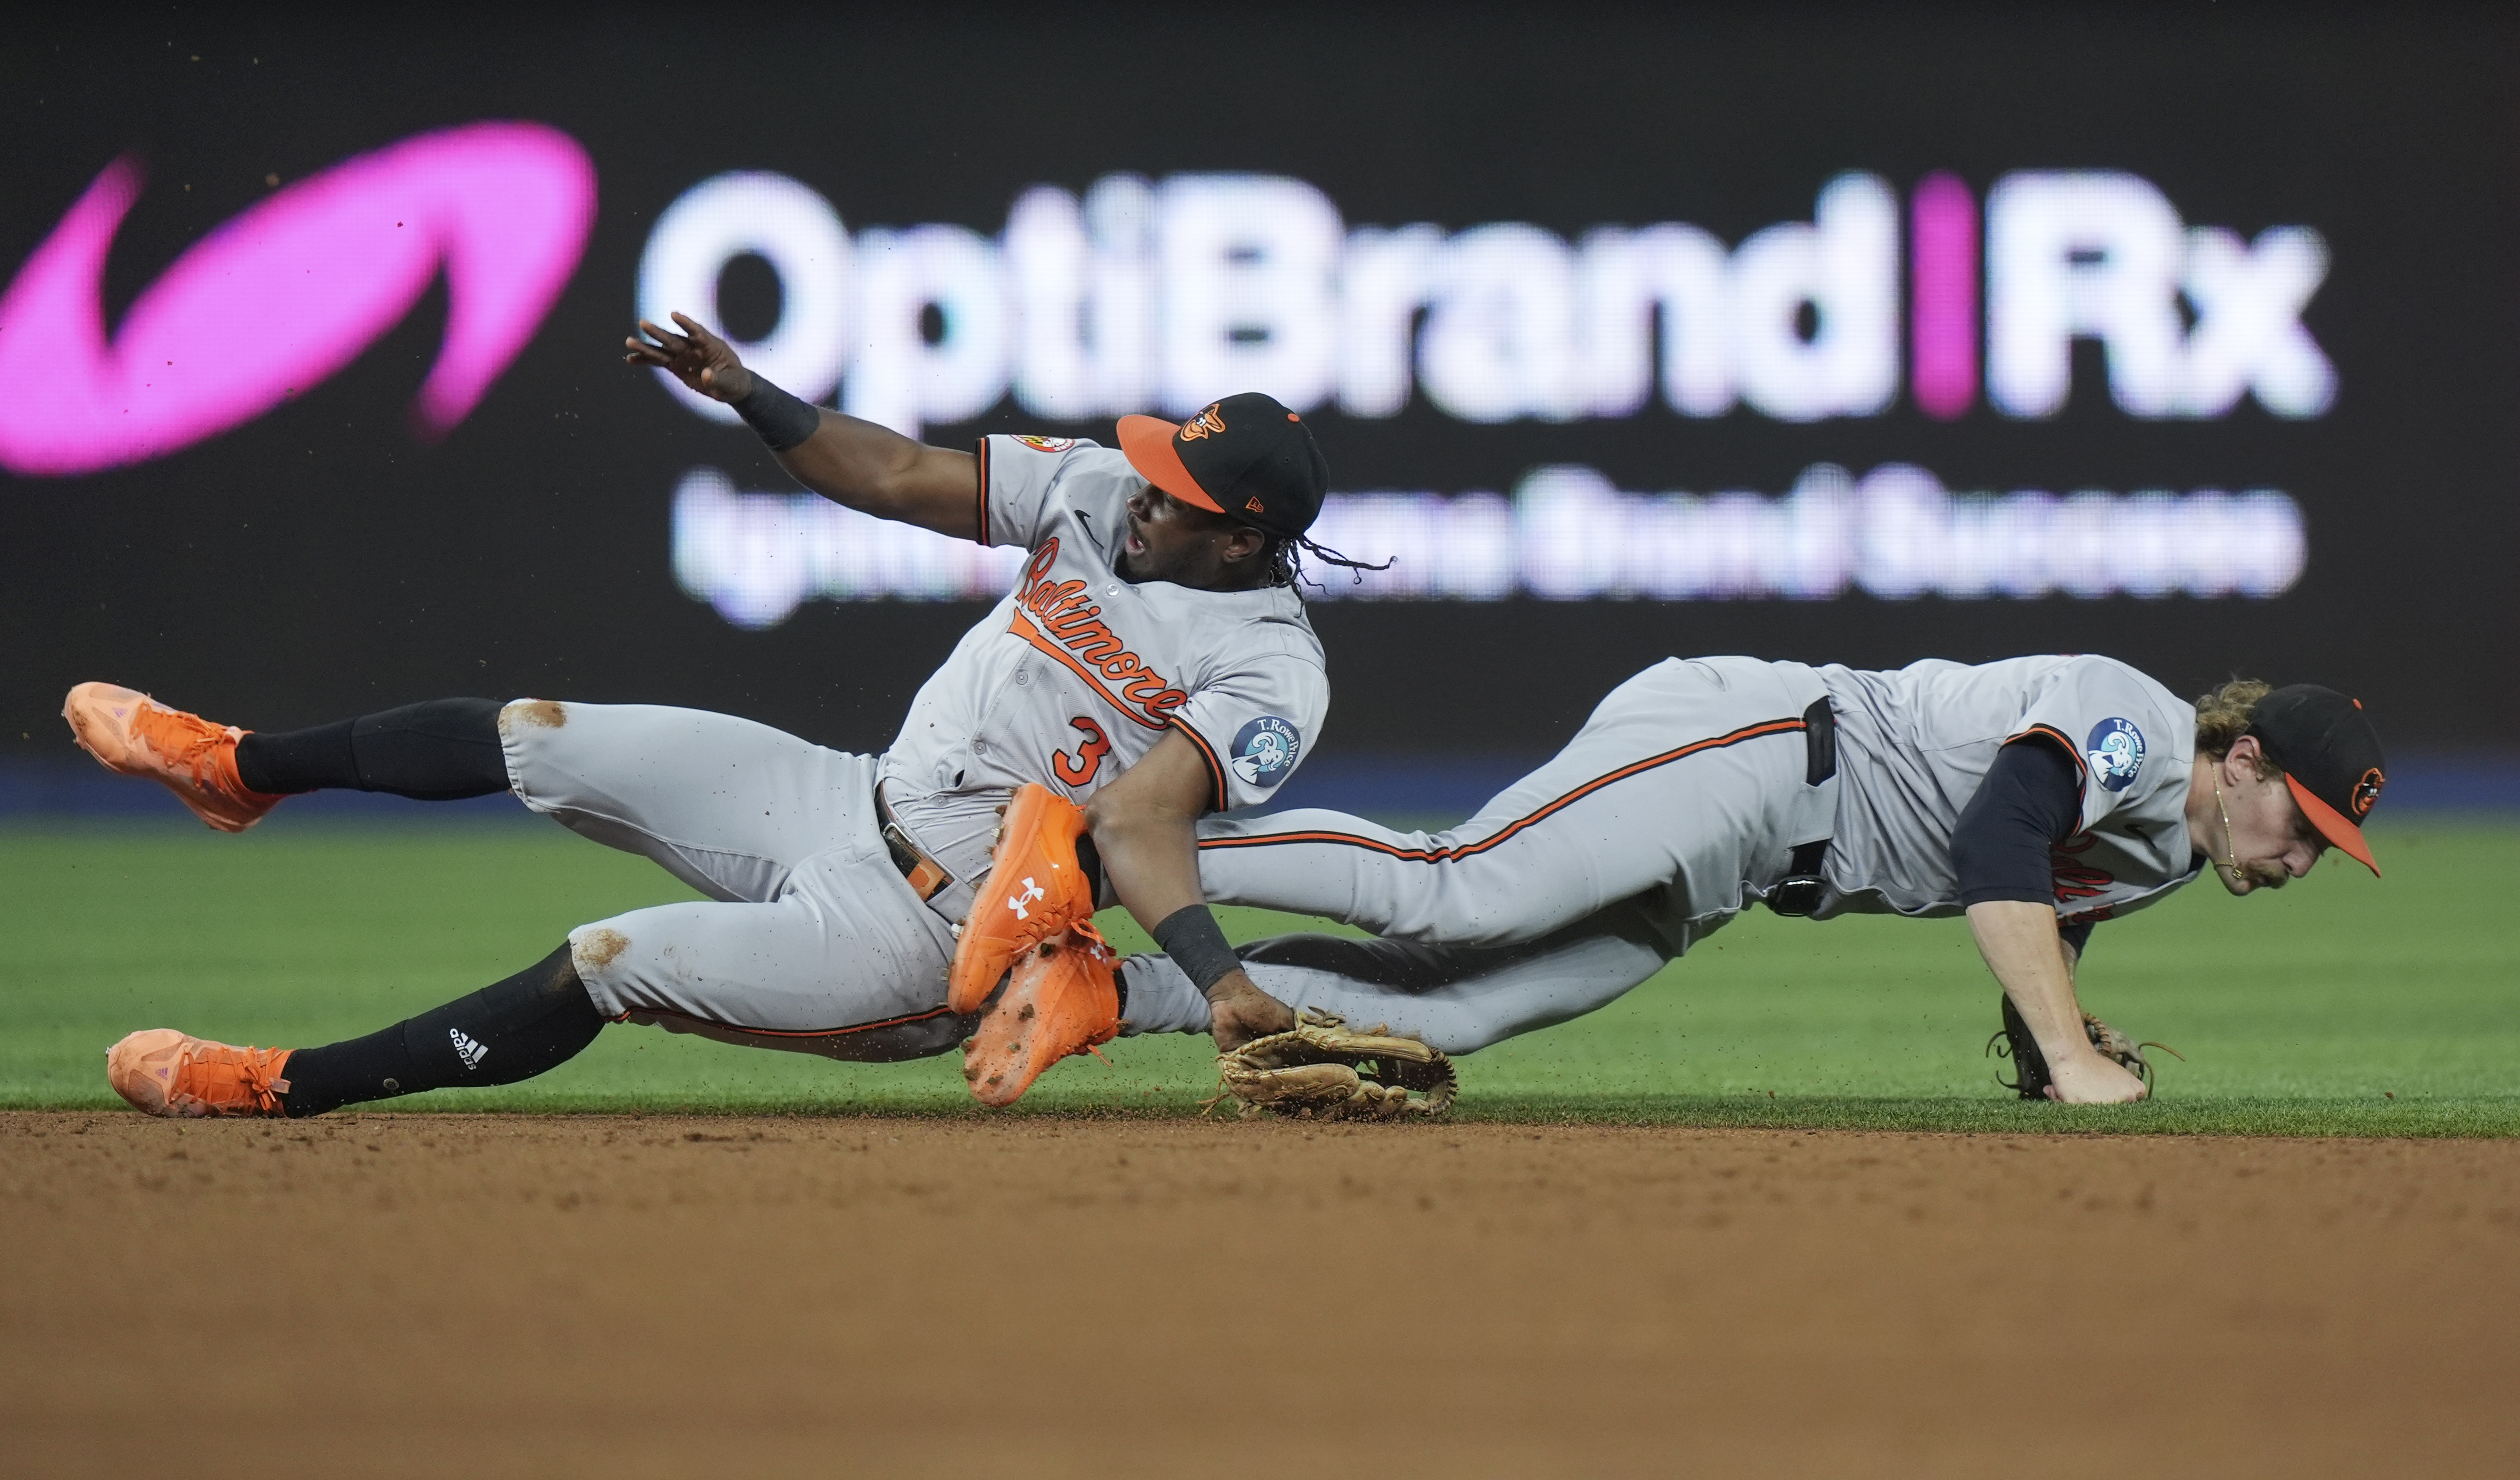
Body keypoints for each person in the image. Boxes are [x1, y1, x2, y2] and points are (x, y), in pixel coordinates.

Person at [75, 314, 1350, 1119]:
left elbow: (1137, 818)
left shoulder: (1269, 670)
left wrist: (1217, 979)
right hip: (838, 793)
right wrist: (751, 393)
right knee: (537, 730)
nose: (1148, 493)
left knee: (605, 959)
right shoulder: (1097, 485)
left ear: (1243, 537)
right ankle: (236, 768)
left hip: (926, 936)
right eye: (1159, 466)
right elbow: (899, 474)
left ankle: (281, 1085)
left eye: (1180, 495)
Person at [986, 654, 2386, 1104]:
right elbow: (1995, 847)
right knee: (1456, 884)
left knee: (1460, 1009)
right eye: (2302, 818)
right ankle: (1123, 841)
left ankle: (1102, 990)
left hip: (1746, 870)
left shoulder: (2164, 856)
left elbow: (2047, 927)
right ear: (2242, 753)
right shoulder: (2131, 722)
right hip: (1756, 750)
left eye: (2326, 844)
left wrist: (2049, 1041)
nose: (2299, 852)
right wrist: (2077, 1059)